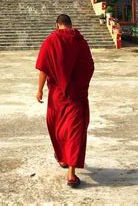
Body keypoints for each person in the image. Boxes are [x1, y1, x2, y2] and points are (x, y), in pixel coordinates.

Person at [35, 14, 94, 188]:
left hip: (57, 96)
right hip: (76, 95)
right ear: (70, 25)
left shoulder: (51, 40)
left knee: (58, 127)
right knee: (74, 132)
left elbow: (44, 68)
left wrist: (39, 90)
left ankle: (65, 163)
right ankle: (70, 172)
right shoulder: (80, 41)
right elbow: (89, 66)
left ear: (57, 25)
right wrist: (81, 85)